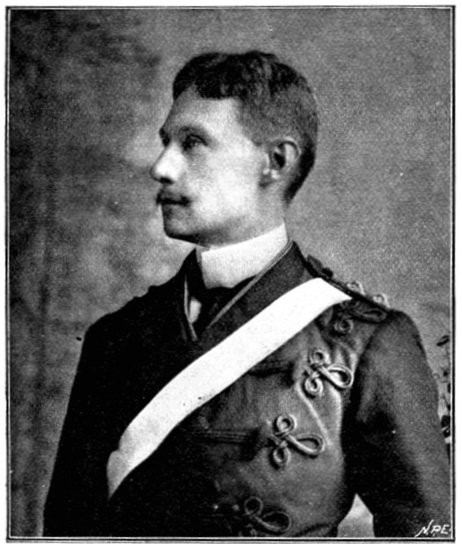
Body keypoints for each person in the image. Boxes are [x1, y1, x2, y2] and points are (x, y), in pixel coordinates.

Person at [43, 50, 450, 537]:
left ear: (275, 162)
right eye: (165, 143)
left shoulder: (369, 343)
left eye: (193, 143)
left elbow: (429, 532)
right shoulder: (115, 339)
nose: (162, 168)